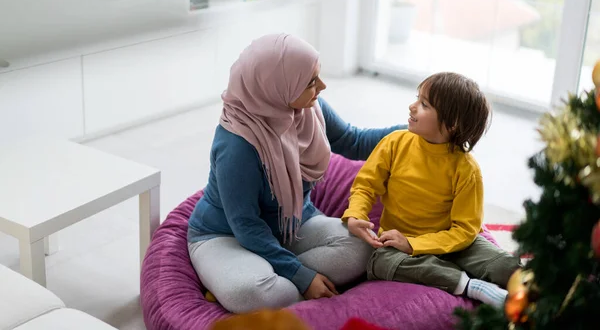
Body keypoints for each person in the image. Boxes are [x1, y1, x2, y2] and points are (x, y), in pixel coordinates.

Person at [187, 33, 405, 313]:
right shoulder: (236, 144)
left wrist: (411, 133)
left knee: (363, 246)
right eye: (311, 81)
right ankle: (253, 278)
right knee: (258, 292)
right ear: (277, 86)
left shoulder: (310, 110)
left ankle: (262, 275)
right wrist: (303, 276)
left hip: (292, 224)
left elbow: (353, 140)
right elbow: (245, 224)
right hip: (226, 235)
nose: (322, 87)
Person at [342, 72, 522, 308]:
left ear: (452, 122)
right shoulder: (394, 143)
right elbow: (365, 185)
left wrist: (415, 244)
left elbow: (465, 231)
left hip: (453, 244)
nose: (412, 107)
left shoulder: (467, 170)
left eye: (424, 104)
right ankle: (471, 286)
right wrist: (356, 215)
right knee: (381, 264)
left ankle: (535, 296)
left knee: (506, 266)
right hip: (397, 246)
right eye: (417, 99)